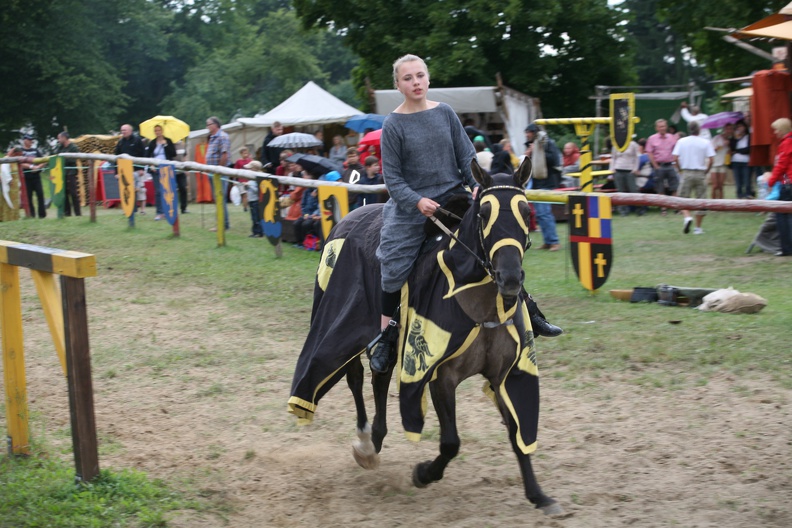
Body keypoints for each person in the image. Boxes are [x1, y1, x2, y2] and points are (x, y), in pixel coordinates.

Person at [369, 54, 561, 375]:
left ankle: (530, 309)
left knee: (498, 241)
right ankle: (387, 336)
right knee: (392, 263)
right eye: (408, 78)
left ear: (428, 79)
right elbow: (394, 180)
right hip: (412, 208)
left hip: (455, 199)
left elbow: (467, 157)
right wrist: (417, 202)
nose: (415, 82)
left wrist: (477, 186)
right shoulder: (392, 125)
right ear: (398, 85)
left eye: (420, 76)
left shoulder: (445, 113)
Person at [524, 123, 562, 250]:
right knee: (540, 214)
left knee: (545, 213)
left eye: (528, 132)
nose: (526, 135)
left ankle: (554, 241)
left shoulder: (547, 143)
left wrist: (536, 151)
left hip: (546, 182)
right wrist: (529, 154)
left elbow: (553, 160)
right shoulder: (532, 145)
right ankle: (548, 241)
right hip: (536, 183)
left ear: (534, 132)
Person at [673, 121, 715, 235]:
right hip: (700, 172)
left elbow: (675, 158)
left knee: (682, 199)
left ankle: (687, 217)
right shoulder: (705, 142)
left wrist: (680, 170)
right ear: (699, 129)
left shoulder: (681, 141)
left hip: (686, 172)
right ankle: (698, 228)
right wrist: (706, 170)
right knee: (701, 200)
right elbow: (711, 159)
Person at [767, 117, 792, 256]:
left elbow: (781, 166)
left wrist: (771, 182)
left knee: (782, 214)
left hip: (788, 183)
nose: (775, 132)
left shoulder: (786, 143)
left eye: (776, 129)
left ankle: (786, 248)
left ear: (782, 130)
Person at [645, 118, 679, 215]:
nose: (662, 128)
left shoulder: (672, 137)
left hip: (670, 165)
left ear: (666, 127)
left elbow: (676, 150)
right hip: (659, 166)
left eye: (664, 126)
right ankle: (663, 209)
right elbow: (649, 153)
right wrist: (655, 165)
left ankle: (675, 207)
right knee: (660, 188)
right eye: (660, 127)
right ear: (656, 128)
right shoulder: (652, 138)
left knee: (674, 186)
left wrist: (675, 163)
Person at [145, 125, 176, 220]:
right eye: (155, 130)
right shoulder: (152, 143)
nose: (157, 132)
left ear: (162, 131)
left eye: (159, 130)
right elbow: (147, 155)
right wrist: (151, 164)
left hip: (166, 168)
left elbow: (173, 154)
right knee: (158, 191)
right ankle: (159, 212)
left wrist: (165, 145)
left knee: (167, 190)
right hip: (155, 168)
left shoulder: (168, 141)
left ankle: (169, 211)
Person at [205, 116, 231, 231]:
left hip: (219, 172)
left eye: (209, 124)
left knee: (220, 197)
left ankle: (222, 224)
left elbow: (224, 155)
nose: (207, 127)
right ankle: (222, 222)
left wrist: (219, 170)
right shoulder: (212, 137)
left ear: (215, 125)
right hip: (212, 172)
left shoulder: (222, 136)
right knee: (217, 197)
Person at [115, 124, 146, 213]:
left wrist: (142, 168)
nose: (123, 132)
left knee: (140, 190)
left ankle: (142, 210)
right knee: (127, 190)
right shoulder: (120, 142)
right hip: (124, 171)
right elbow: (116, 158)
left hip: (137, 169)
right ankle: (130, 209)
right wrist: (116, 172)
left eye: (125, 130)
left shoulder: (137, 140)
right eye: (122, 130)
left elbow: (143, 155)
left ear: (130, 131)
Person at [609, 138, 641, 216]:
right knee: (620, 192)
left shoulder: (633, 144)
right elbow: (613, 157)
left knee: (633, 190)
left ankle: (640, 209)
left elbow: (637, 157)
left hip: (630, 170)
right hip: (618, 169)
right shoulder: (616, 144)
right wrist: (612, 170)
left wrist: (635, 168)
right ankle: (623, 211)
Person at [293, 168, 321, 249]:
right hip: (306, 214)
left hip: (314, 215)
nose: (303, 177)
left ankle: (307, 243)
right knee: (297, 223)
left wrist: (313, 215)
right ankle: (299, 243)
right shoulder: (306, 191)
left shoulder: (319, 192)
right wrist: (305, 214)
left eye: (305, 175)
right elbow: (303, 204)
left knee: (306, 224)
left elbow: (319, 206)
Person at [55, 132, 81, 216]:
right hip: (62, 173)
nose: (58, 140)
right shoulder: (60, 147)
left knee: (73, 193)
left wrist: (63, 160)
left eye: (59, 138)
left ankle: (78, 213)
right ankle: (67, 213)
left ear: (64, 138)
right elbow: (57, 157)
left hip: (71, 173)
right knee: (64, 193)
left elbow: (73, 160)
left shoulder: (73, 147)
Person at [20, 134, 46, 218]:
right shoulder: (21, 151)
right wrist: (31, 166)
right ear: (25, 140)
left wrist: (38, 167)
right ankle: (31, 215)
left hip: (36, 177)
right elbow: (20, 163)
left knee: (40, 194)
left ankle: (42, 215)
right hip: (26, 178)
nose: (31, 142)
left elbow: (44, 160)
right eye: (29, 140)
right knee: (28, 196)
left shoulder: (36, 151)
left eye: (32, 140)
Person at [710, 123, 733, 200]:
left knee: (721, 185)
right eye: (727, 129)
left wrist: (730, 149)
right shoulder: (717, 138)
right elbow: (712, 150)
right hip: (714, 163)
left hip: (723, 163)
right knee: (715, 185)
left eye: (730, 129)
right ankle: (712, 202)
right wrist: (722, 145)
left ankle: (721, 203)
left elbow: (731, 152)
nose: (729, 131)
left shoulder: (731, 140)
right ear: (724, 130)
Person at [730, 121, 752, 199]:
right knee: (738, 181)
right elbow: (732, 148)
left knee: (747, 180)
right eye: (738, 126)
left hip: (746, 161)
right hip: (736, 161)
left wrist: (738, 151)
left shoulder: (748, 137)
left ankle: (748, 195)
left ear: (745, 127)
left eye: (741, 126)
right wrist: (736, 138)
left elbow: (748, 149)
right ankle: (739, 196)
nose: (739, 128)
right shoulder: (735, 137)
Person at [242, 160, 264, 238]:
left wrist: (249, 186)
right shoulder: (251, 179)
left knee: (257, 217)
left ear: (254, 169)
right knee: (253, 218)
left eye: (249, 168)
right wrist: (246, 187)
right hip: (251, 201)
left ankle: (259, 232)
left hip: (256, 201)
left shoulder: (258, 179)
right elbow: (249, 190)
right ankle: (255, 232)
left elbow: (258, 191)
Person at [233, 147, 254, 211]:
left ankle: (248, 206)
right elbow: (235, 171)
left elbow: (253, 168)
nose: (246, 155)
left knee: (248, 194)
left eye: (247, 153)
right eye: (244, 153)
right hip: (241, 181)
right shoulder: (238, 161)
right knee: (243, 194)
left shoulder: (250, 160)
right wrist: (234, 180)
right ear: (241, 154)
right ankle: (245, 207)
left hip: (248, 180)